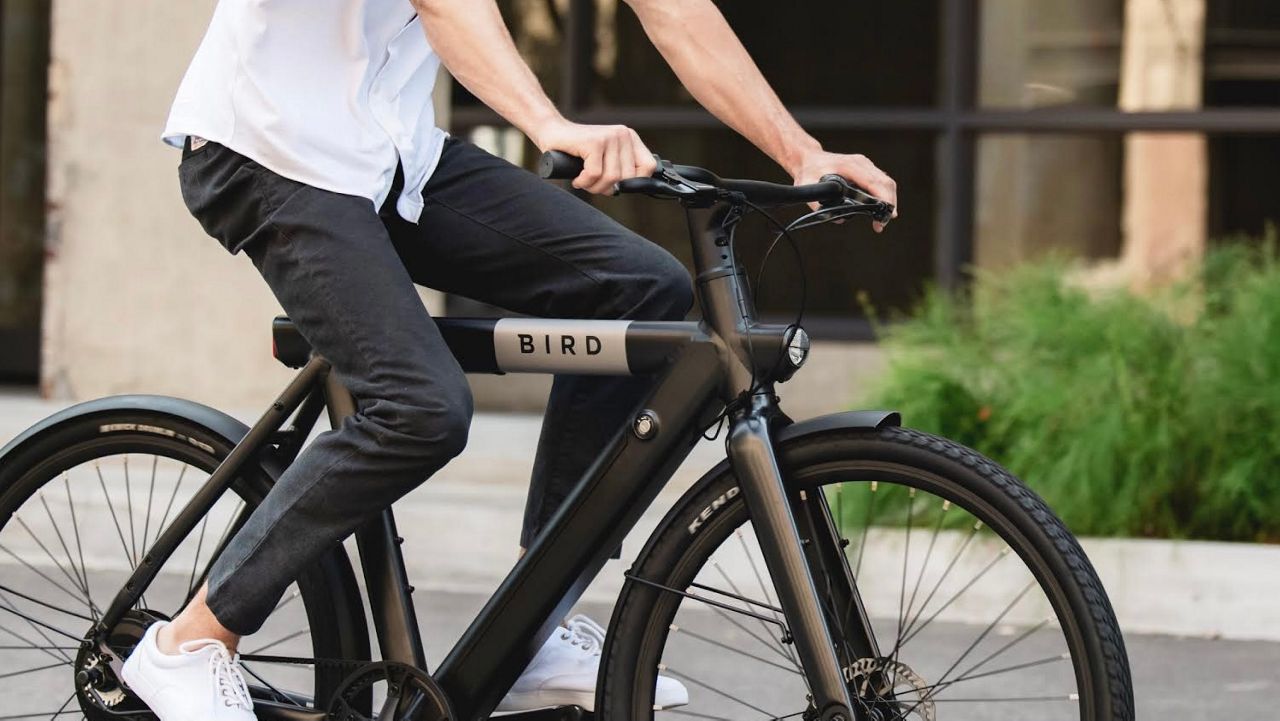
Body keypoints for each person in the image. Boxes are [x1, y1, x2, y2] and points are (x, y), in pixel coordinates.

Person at [120, 1, 899, 720]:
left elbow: (674, 10)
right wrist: (547, 123)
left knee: (644, 291)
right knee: (421, 407)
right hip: (268, 147)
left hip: (391, 158)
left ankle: (535, 621)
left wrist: (802, 153)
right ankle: (191, 639)